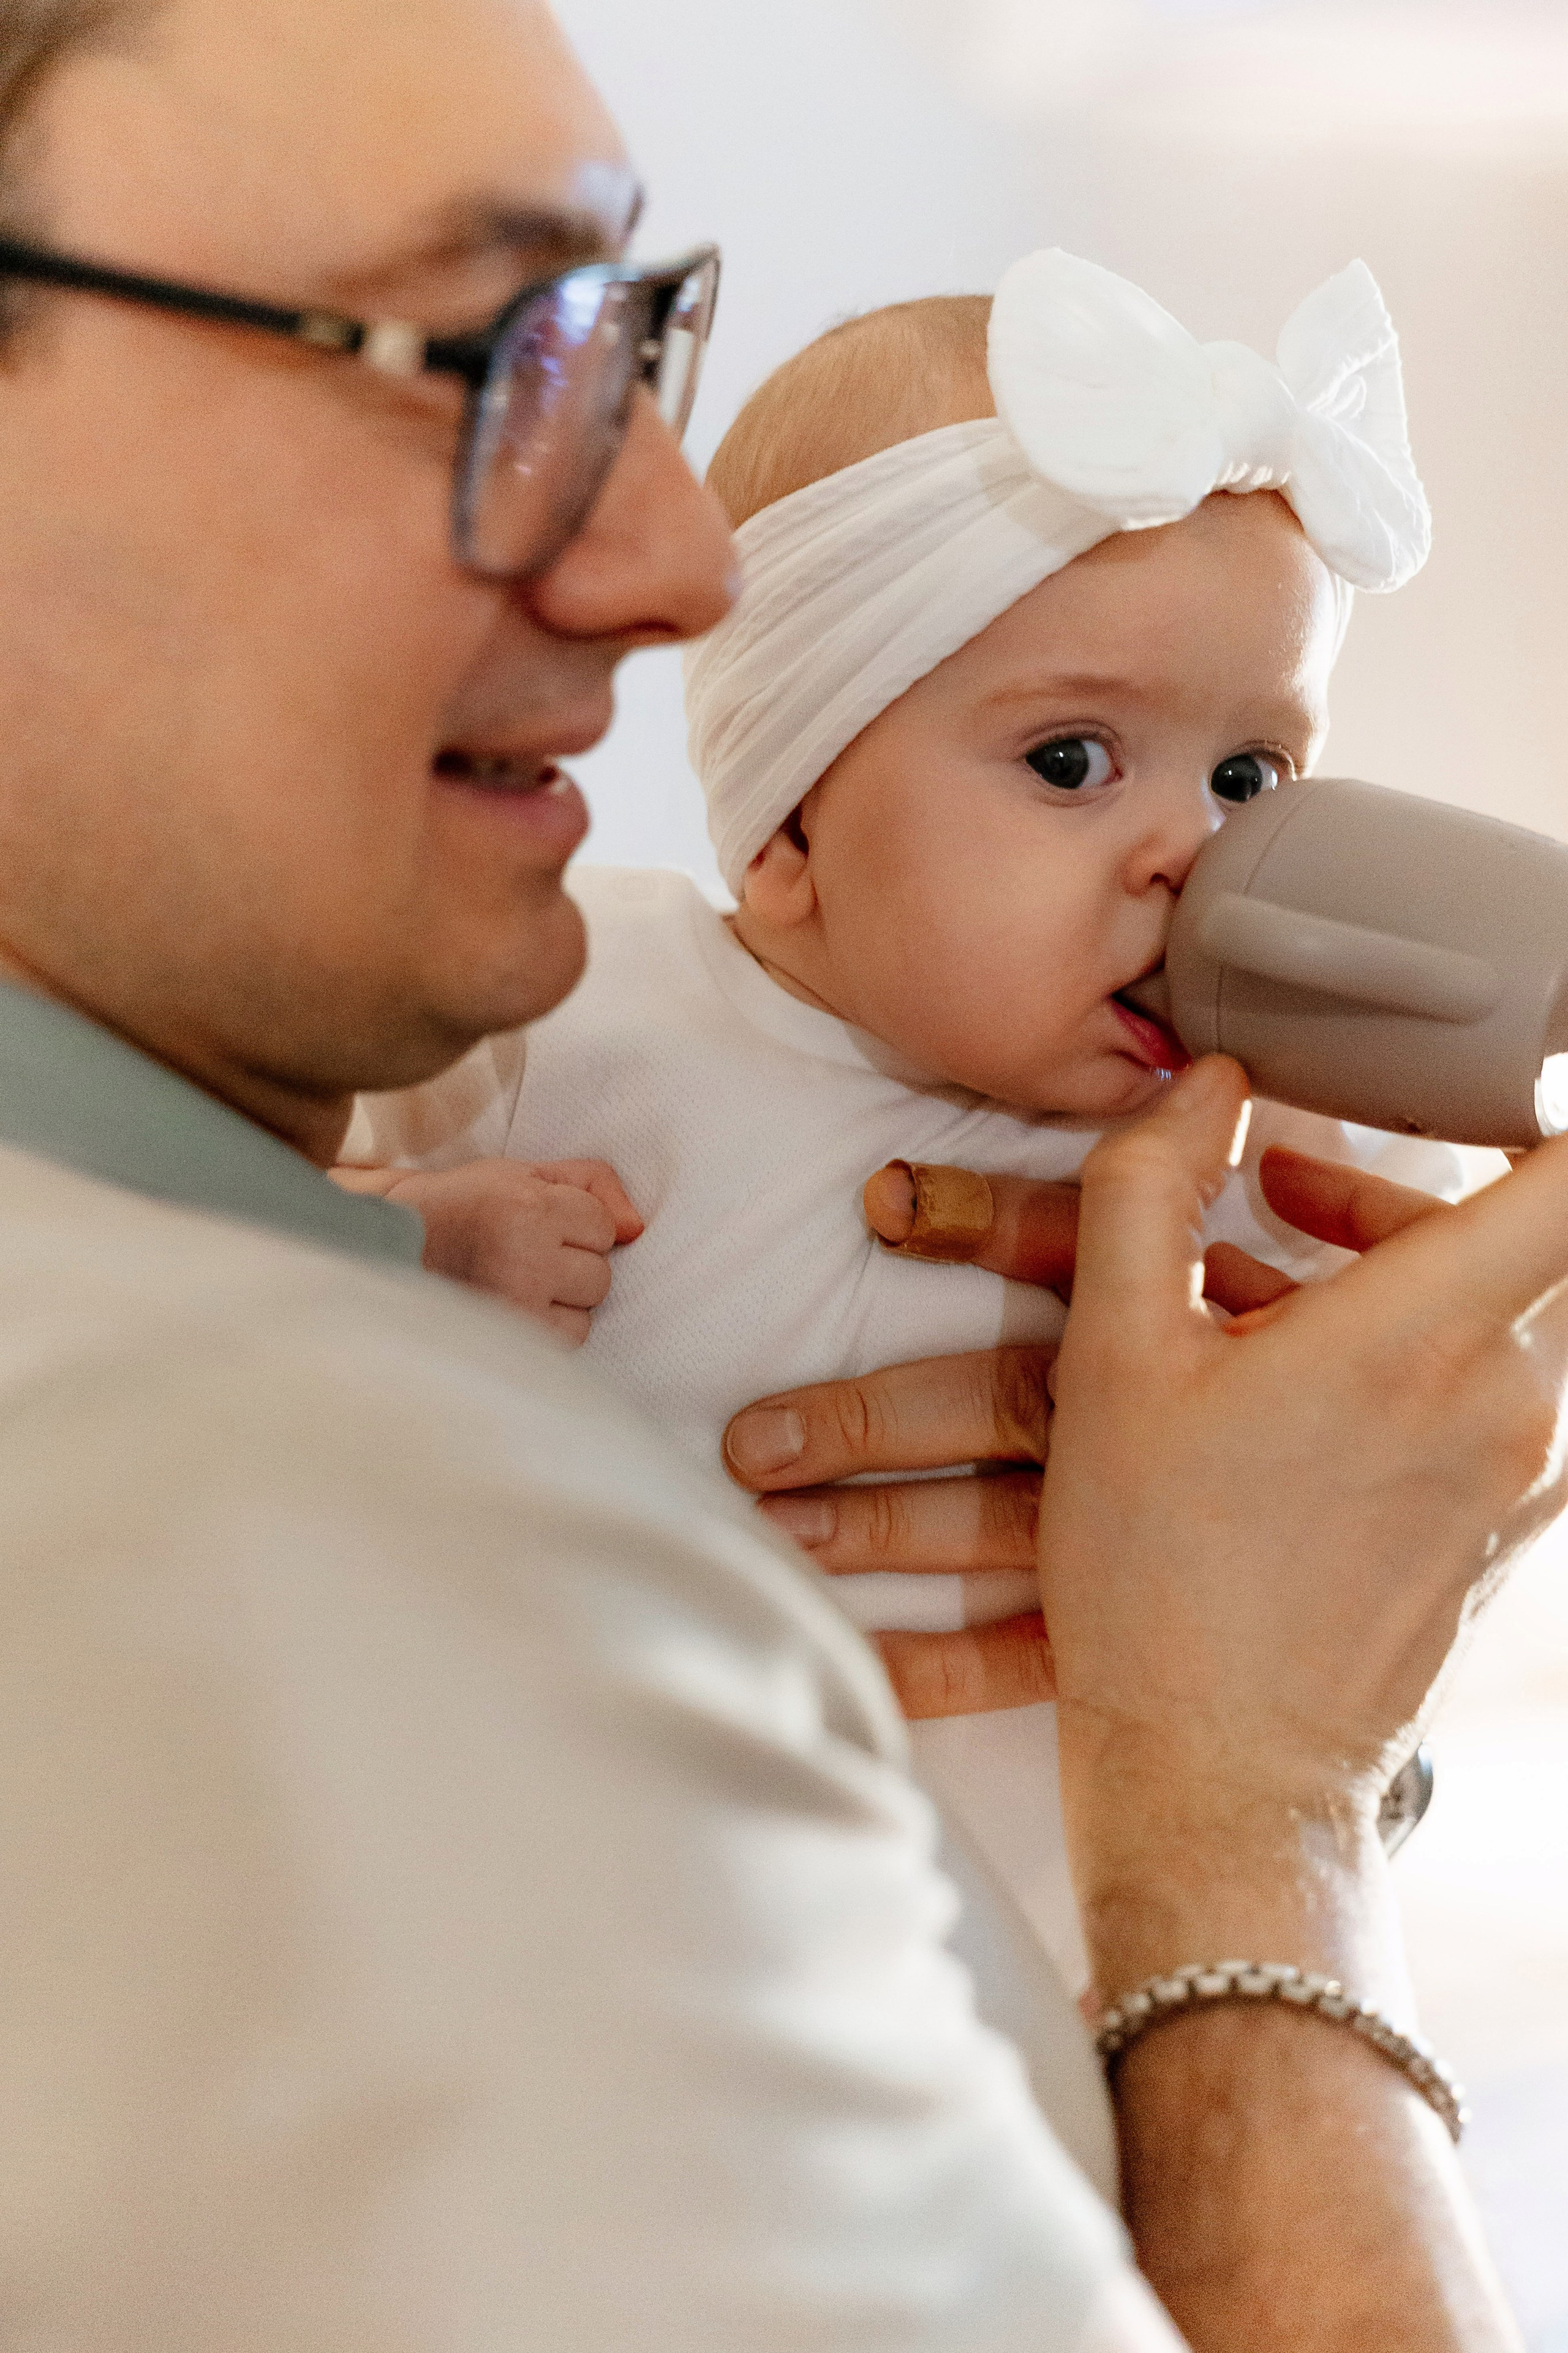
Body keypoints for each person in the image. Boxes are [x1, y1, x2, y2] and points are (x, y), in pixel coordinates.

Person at [0, 4, 1556, 2350]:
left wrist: (1310, 1677)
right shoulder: (237, 1469)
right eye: (477, 349)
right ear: (794, 843)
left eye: (635, 342)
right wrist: (1261, 1811)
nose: (677, 554)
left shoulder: (1237, 1150)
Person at [346, 251, 1475, 1998]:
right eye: (1073, 762)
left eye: (1252, 775)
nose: (1195, 853)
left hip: (1093, 1996)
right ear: (787, 829)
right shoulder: (578, 1021)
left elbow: (1452, 1388)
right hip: (603, 1943)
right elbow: (220, 1240)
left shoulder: (1277, 1149)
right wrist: (425, 1240)